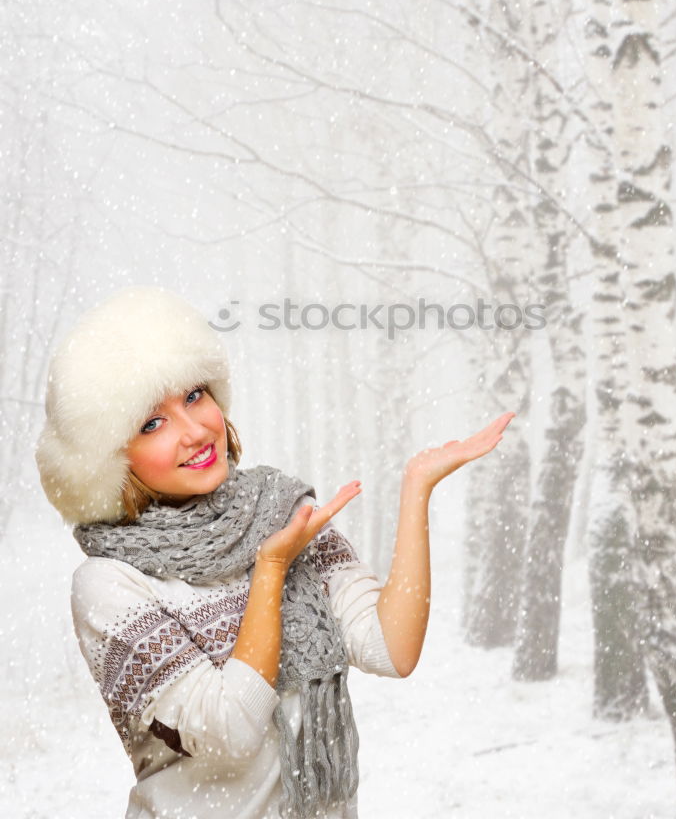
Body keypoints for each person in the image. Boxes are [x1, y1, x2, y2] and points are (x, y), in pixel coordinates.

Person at [35, 285, 514, 819]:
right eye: (152, 423)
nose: (195, 430)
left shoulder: (280, 511)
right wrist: (271, 570)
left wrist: (417, 488)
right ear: (110, 459)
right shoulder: (108, 583)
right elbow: (230, 730)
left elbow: (391, 648)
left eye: (195, 396)